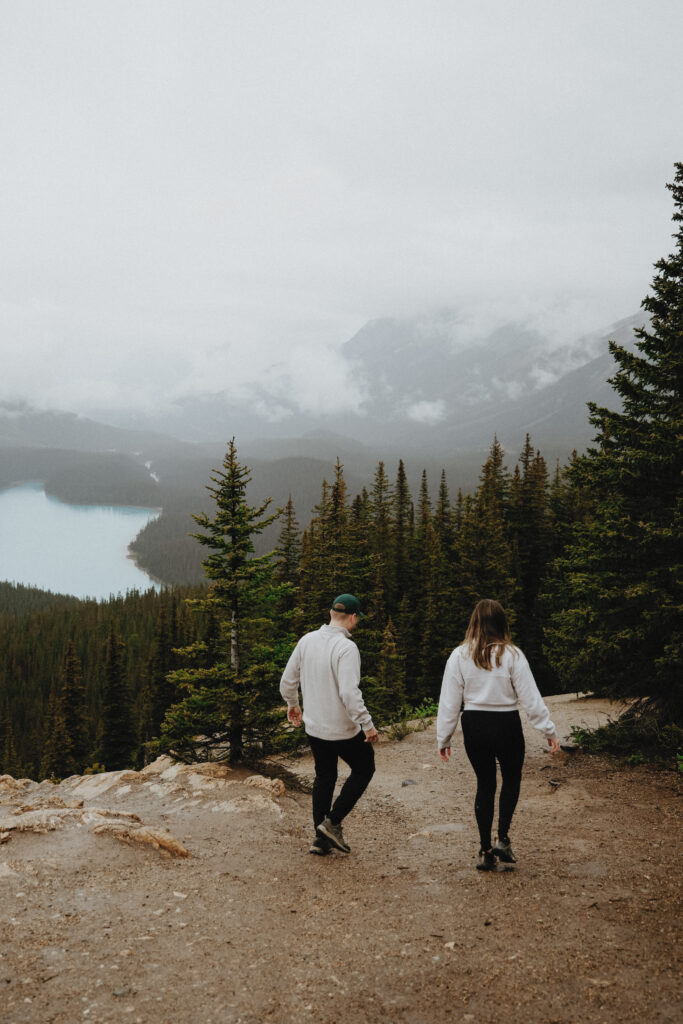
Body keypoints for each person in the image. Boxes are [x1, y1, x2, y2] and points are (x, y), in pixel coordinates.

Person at [436, 598, 560, 871]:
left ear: (474, 622)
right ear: (502, 623)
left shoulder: (459, 656)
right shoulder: (513, 655)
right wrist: (548, 730)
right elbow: (530, 699)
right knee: (511, 778)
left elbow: (449, 702)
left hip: (474, 724)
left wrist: (443, 738)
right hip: (506, 723)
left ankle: (484, 851)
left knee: (485, 784)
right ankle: (502, 837)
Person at [280, 593, 379, 855]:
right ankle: (332, 823)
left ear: (331, 612)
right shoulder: (347, 648)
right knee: (364, 768)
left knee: (324, 777)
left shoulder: (307, 641)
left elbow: (288, 681)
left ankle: (319, 839)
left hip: (315, 727)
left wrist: (293, 704)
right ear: (353, 617)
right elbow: (349, 693)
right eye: (358, 619)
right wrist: (367, 724)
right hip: (344, 729)